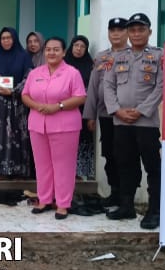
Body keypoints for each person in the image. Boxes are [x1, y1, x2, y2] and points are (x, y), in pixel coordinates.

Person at [104, 13, 163, 230]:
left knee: (153, 167)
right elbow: (108, 85)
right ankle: (126, 205)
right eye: (133, 30)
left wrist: (141, 111)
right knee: (125, 164)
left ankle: (154, 210)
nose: (136, 34)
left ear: (149, 31)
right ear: (128, 33)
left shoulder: (159, 56)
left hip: (146, 123)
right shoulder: (118, 57)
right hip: (121, 122)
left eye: (141, 30)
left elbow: (162, 86)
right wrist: (116, 110)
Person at [22, 36, 86, 220]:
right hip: (38, 124)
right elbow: (25, 95)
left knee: (63, 166)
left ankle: (63, 204)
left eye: (56, 49)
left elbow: (80, 97)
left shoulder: (72, 73)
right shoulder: (35, 73)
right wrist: (36, 106)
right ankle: (44, 199)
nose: (52, 53)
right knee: (42, 164)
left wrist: (58, 106)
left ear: (64, 52)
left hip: (65, 125)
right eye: (48, 49)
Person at [83, 17, 129, 207]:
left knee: (125, 156)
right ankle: (114, 192)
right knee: (109, 155)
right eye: (112, 31)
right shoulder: (101, 57)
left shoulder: (134, 55)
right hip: (105, 115)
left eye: (120, 30)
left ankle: (126, 196)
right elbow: (94, 87)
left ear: (126, 33)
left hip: (127, 116)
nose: (116, 34)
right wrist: (90, 115)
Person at [0, 28, 34, 181]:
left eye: (9, 38)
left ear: (14, 39)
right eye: (3, 38)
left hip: (18, 102)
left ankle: (19, 171)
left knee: (19, 134)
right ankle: (1, 171)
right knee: (1, 136)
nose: (6, 41)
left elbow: (29, 78)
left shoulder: (24, 56)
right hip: (0, 102)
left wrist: (13, 91)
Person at [64, 35, 95, 180]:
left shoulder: (90, 65)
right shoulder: (63, 64)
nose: (79, 49)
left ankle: (82, 172)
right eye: (76, 45)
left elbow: (92, 89)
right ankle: (67, 172)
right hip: (64, 109)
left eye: (82, 46)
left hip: (84, 109)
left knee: (83, 140)